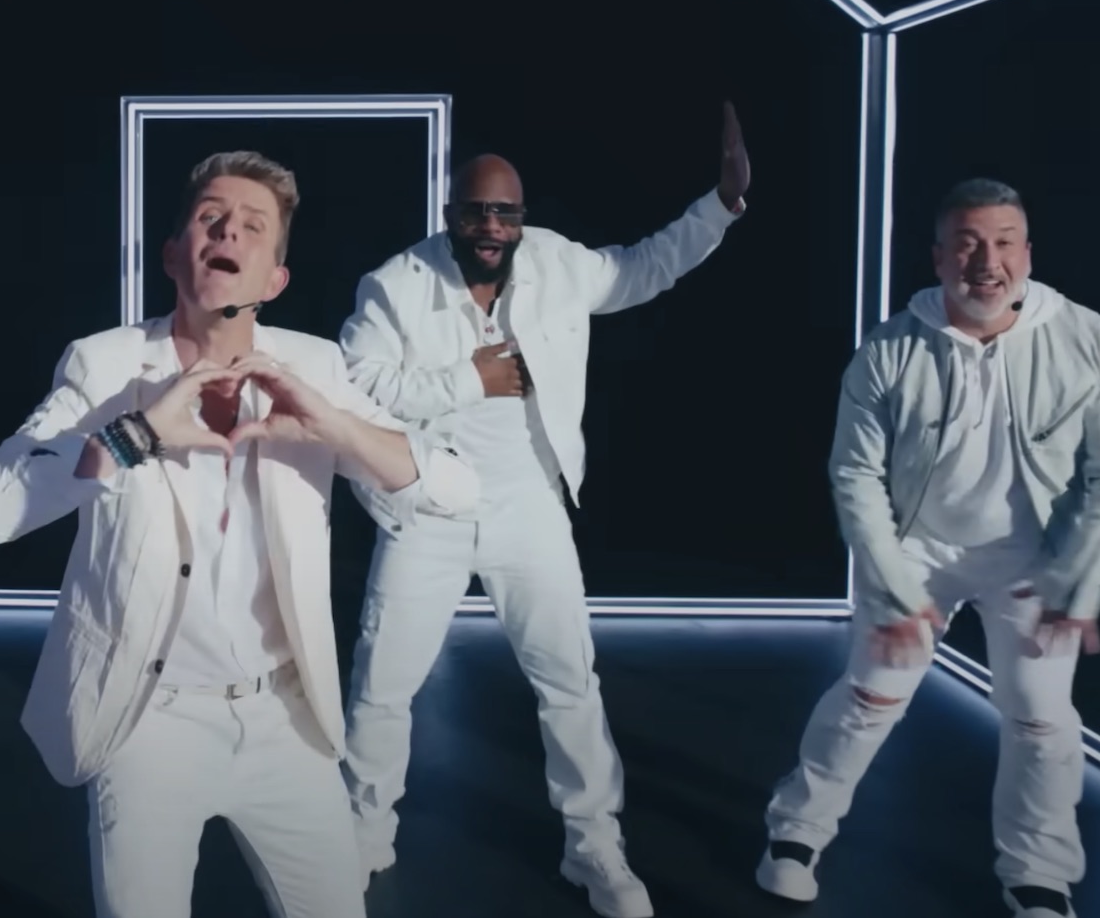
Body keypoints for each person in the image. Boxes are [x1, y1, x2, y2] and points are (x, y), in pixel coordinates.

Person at [0, 150, 477, 918]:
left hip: (285, 718)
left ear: (275, 280)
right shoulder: (105, 365)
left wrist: (334, 426)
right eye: (210, 218)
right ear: (174, 255)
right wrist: (132, 437)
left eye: (253, 225)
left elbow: (458, 491)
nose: (229, 230)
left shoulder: (315, 367)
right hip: (148, 720)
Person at [336, 104, 751, 918]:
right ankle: (362, 834)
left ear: (522, 216)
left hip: (530, 503)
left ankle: (593, 846)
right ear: (450, 212)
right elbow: (359, 386)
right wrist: (470, 379)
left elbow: (645, 267)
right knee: (382, 686)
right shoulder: (395, 284)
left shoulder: (558, 264)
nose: (491, 227)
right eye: (476, 212)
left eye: (506, 213)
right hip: (428, 505)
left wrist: (723, 204)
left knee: (569, 683)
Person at [758, 178, 1100, 918]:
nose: (987, 261)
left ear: (1028, 253)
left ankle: (1039, 874)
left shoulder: (1085, 339)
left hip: (1033, 553)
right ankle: (796, 831)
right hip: (918, 547)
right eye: (968, 244)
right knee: (873, 693)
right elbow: (855, 475)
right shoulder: (889, 349)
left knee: (1042, 715)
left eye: (1004, 242)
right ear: (939, 256)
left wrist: (1078, 580)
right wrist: (891, 587)